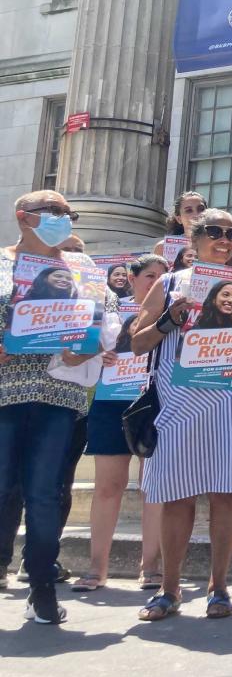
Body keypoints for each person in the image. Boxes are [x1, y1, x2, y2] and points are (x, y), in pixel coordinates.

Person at [128, 209, 232, 621]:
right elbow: (137, 344)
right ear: (192, 239)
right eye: (214, 232)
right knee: (178, 494)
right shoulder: (168, 284)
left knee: (228, 494)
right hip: (181, 400)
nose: (224, 239)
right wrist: (168, 320)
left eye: (231, 233)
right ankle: (170, 588)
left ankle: (219, 587)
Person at [0, 192, 103, 623]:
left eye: (68, 214)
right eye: (55, 212)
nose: (63, 219)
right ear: (24, 217)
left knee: (44, 492)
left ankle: (41, 582)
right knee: (2, 488)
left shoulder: (84, 268)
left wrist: (88, 348)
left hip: (59, 394)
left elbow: (104, 320)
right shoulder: (1, 264)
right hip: (5, 392)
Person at [70, 254, 169, 594]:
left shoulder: (172, 315)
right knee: (107, 488)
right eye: (149, 276)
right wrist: (101, 353)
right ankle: (97, 568)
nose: (155, 282)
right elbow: (80, 347)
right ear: (131, 277)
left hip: (153, 403)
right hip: (110, 401)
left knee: (152, 487)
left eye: (162, 276)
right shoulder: (109, 312)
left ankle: (151, 566)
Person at [155, 190, 207, 257]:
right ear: (179, 219)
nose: (196, 214)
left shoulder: (219, 244)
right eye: (189, 210)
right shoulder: (163, 247)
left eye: (201, 209)